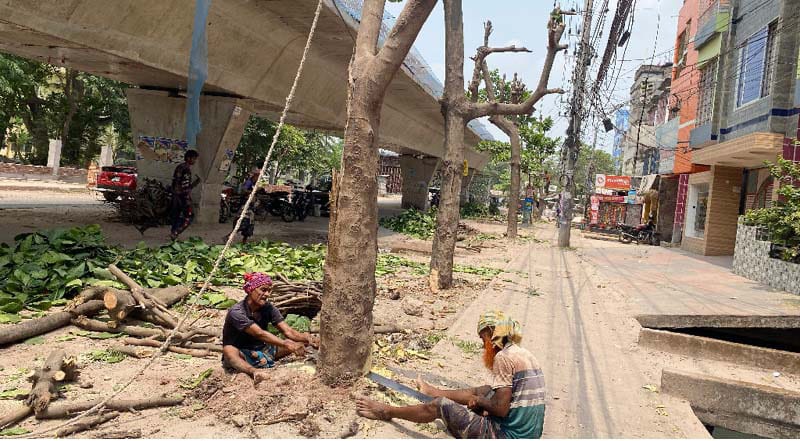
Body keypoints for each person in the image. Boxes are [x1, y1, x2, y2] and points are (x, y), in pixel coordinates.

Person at [356, 311, 546, 439]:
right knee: (486, 390)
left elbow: (502, 409)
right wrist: (483, 401)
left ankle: (387, 411)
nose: (483, 345)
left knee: (440, 405)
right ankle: (434, 391)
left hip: (504, 435)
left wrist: (479, 402)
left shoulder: (503, 358)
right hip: (526, 435)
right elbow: (510, 403)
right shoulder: (525, 355)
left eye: (483, 338)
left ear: (491, 332)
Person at [222, 272, 319, 382]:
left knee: (303, 343)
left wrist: (308, 338)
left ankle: (264, 359)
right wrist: (287, 344)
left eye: (269, 290)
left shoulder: (268, 308)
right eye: (263, 290)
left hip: (264, 349)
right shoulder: (237, 312)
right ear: (251, 290)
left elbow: (288, 331)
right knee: (229, 350)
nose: (267, 294)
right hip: (242, 353)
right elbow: (259, 333)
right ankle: (254, 371)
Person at [170, 150, 201, 240]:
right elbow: (184, 186)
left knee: (176, 215)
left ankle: (173, 232)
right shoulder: (186, 169)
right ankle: (176, 232)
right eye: (194, 158)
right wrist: (194, 184)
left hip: (176, 195)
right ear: (188, 158)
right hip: (182, 196)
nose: (195, 161)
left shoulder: (180, 167)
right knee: (189, 216)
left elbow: (177, 182)